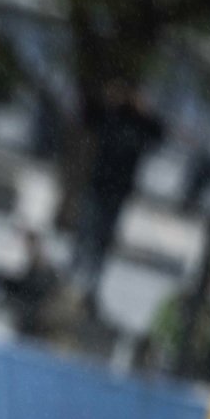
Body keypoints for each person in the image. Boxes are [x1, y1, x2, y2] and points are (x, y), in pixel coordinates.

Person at [71, 81, 165, 314]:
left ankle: (89, 288)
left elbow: (159, 136)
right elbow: (86, 116)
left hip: (118, 191)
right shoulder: (111, 114)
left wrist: (145, 111)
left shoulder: (140, 123)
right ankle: (72, 282)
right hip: (98, 185)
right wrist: (108, 99)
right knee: (85, 234)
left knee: (102, 240)